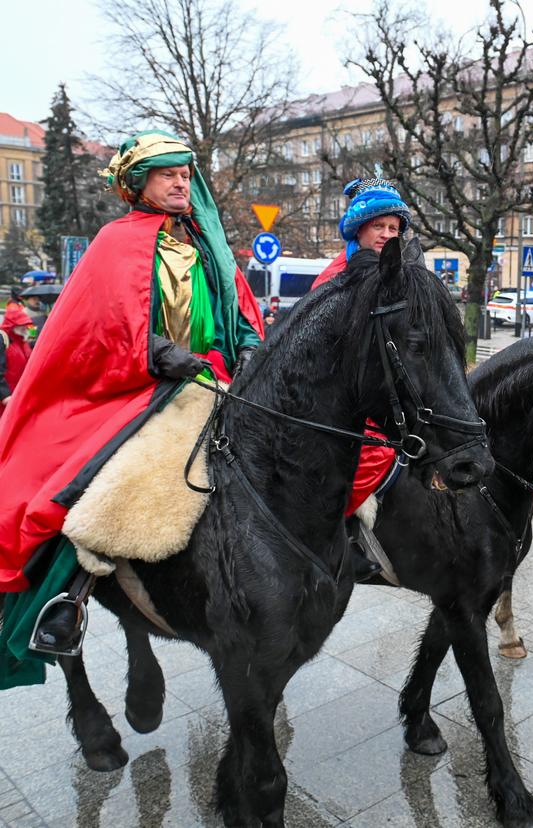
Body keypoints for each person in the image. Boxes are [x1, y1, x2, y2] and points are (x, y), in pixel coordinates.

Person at [0, 131, 264, 680]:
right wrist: (164, 355)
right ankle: (67, 600)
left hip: (216, 375)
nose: (179, 183)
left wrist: (255, 347)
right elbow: (99, 327)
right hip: (142, 383)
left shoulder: (204, 242)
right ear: (139, 185)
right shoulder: (116, 242)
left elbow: (238, 310)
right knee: (106, 476)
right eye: (167, 175)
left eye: (184, 175)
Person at [312, 178, 412, 581]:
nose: (387, 235)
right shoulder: (337, 276)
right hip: (338, 396)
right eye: (379, 227)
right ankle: (337, 537)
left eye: (394, 228)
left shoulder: (392, 270)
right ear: (359, 229)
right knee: (369, 452)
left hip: (380, 388)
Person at [0, 306, 33, 414]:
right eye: (21, 324)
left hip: (20, 393)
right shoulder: (3, 340)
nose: (25, 327)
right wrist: (4, 395)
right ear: (11, 325)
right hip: (7, 397)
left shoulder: (22, 340)